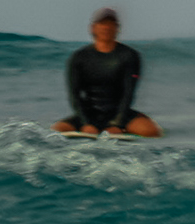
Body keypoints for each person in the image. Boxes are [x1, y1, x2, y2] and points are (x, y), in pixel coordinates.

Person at [54, 8, 160, 136]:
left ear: (117, 28)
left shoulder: (129, 56)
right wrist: (86, 123)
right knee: (56, 130)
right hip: (89, 113)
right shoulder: (79, 57)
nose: (106, 28)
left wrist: (117, 124)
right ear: (93, 28)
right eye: (102, 24)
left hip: (119, 113)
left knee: (151, 132)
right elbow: (74, 95)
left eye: (111, 24)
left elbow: (128, 93)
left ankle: (123, 130)